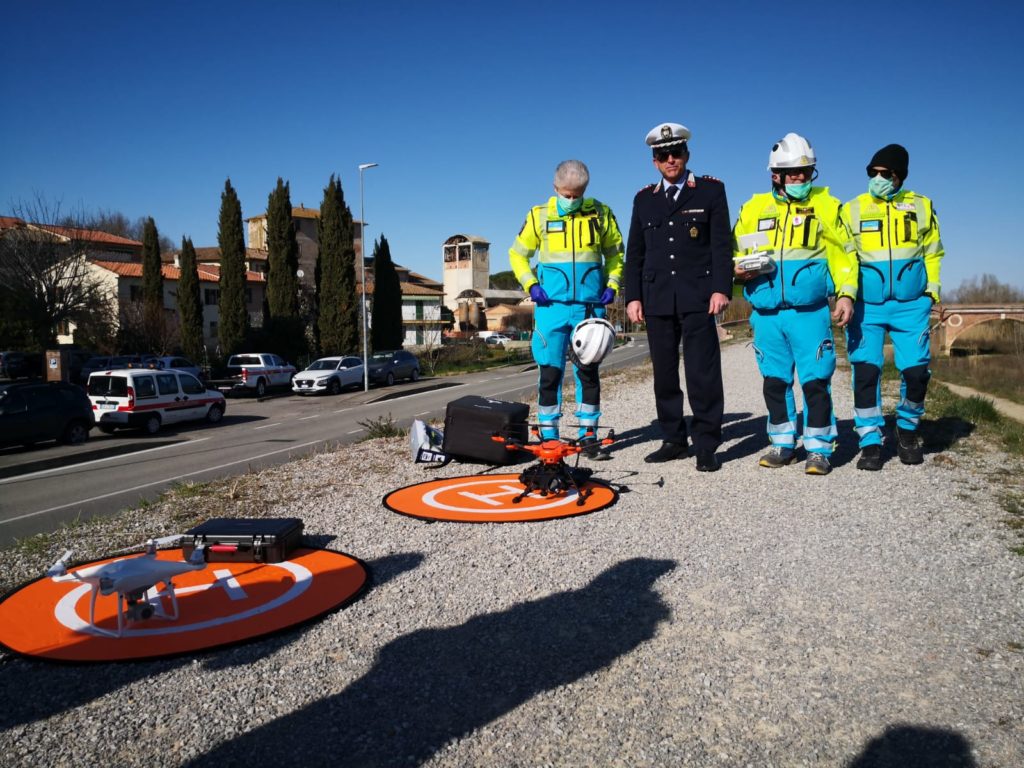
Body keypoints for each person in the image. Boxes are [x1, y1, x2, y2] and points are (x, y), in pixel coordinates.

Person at [732, 133, 858, 475]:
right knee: (774, 381)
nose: (801, 178)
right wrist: (737, 269)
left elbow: (844, 256)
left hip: (810, 313)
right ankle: (783, 443)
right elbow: (736, 256)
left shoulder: (828, 206)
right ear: (776, 174)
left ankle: (818, 448)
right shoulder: (752, 208)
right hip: (767, 314)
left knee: (816, 381)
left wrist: (846, 292)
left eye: (807, 171)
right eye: (794, 173)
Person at [624, 123, 732, 471]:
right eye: (662, 155)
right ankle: (673, 438)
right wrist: (633, 297)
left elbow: (720, 245)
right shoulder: (644, 199)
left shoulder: (711, 192)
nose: (670, 160)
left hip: (699, 296)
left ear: (687, 155)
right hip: (657, 299)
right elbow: (635, 254)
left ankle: (706, 444)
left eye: (676, 153)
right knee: (665, 374)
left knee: (702, 373)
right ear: (654, 161)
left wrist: (721, 288)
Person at [509, 159, 624, 460]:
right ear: (555, 188)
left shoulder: (601, 214)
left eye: (578, 194)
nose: (572, 200)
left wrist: (612, 284)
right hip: (551, 308)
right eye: (567, 194)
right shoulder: (539, 216)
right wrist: (530, 285)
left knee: (589, 373)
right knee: (550, 374)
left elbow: (615, 255)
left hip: (589, 308)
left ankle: (589, 437)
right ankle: (549, 437)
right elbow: (517, 255)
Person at [842, 144, 944, 470]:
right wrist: (845, 293)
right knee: (866, 373)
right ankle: (870, 440)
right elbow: (844, 257)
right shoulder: (853, 209)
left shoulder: (922, 206)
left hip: (911, 305)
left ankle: (907, 429)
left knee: (916, 373)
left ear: (899, 176)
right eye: (872, 172)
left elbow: (933, 252)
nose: (877, 178)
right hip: (867, 307)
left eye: (884, 174)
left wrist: (931, 292)